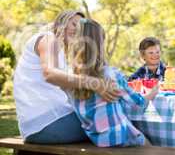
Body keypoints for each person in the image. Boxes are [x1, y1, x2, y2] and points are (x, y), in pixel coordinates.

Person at [13, 10, 121, 144]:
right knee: (118, 123)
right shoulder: (48, 38)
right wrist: (95, 83)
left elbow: (68, 90)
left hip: (39, 126)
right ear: (61, 23)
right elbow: (50, 74)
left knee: (111, 121)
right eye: (73, 24)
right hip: (49, 123)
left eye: (80, 27)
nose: (77, 30)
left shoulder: (60, 54)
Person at [66, 18, 158, 147]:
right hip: (120, 136)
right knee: (152, 146)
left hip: (96, 139)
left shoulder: (69, 77)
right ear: (99, 45)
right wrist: (153, 92)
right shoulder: (111, 74)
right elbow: (138, 103)